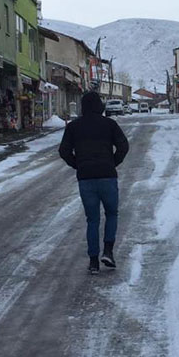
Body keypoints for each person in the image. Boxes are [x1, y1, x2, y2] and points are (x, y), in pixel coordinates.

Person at [59, 92, 129, 275]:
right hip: (107, 176)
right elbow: (123, 146)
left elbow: (64, 151)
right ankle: (108, 251)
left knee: (92, 219)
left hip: (86, 178)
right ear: (100, 105)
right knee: (112, 213)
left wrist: (78, 165)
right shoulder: (110, 124)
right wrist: (113, 162)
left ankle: (93, 262)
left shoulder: (74, 127)